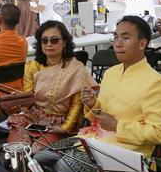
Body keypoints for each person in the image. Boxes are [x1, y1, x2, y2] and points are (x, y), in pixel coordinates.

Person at [36, 16, 161, 172]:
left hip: (127, 154)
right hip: (94, 140)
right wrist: (93, 104)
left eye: (125, 38)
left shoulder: (156, 83)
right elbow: (101, 115)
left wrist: (118, 126)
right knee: (39, 160)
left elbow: (160, 134)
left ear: (142, 43)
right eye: (116, 37)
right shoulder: (110, 73)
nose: (118, 43)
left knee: (64, 168)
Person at [7, 20, 95, 150]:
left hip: (61, 121)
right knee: (17, 146)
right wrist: (19, 99)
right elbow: (29, 101)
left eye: (54, 40)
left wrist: (64, 128)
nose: (49, 44)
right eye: (44, 40)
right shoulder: (33, 66)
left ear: (64, 42)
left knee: (37, 150)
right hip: (34, 116)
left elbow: (77, 104)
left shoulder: (76, 69)